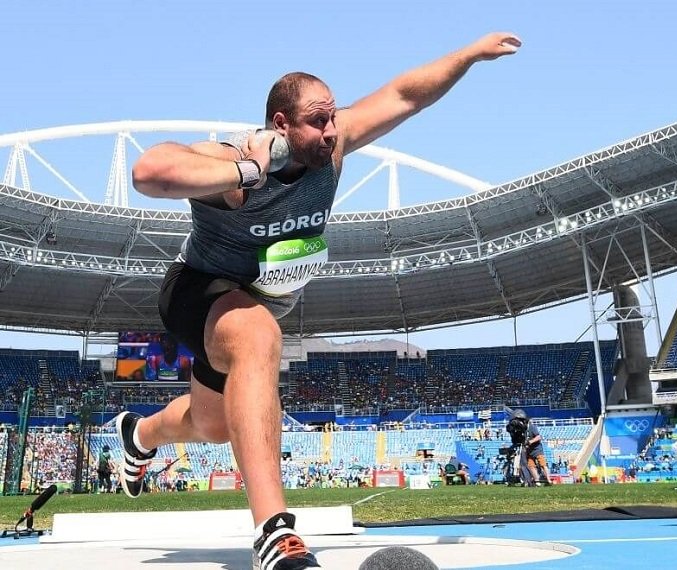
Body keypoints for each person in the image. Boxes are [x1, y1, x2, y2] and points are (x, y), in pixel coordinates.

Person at [116, 32, 521, 570]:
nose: (332, 130)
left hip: (253, 302)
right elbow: (149, 171)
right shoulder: (235, 163)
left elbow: (404, 95)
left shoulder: (334, 146)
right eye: (318, 120)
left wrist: (468, 55)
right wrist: (247, 170)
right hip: (199, 291)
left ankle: (139, 433)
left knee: (212, 427)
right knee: (260, 334)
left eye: (333, 117)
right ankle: (275, 533)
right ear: (280, 125)